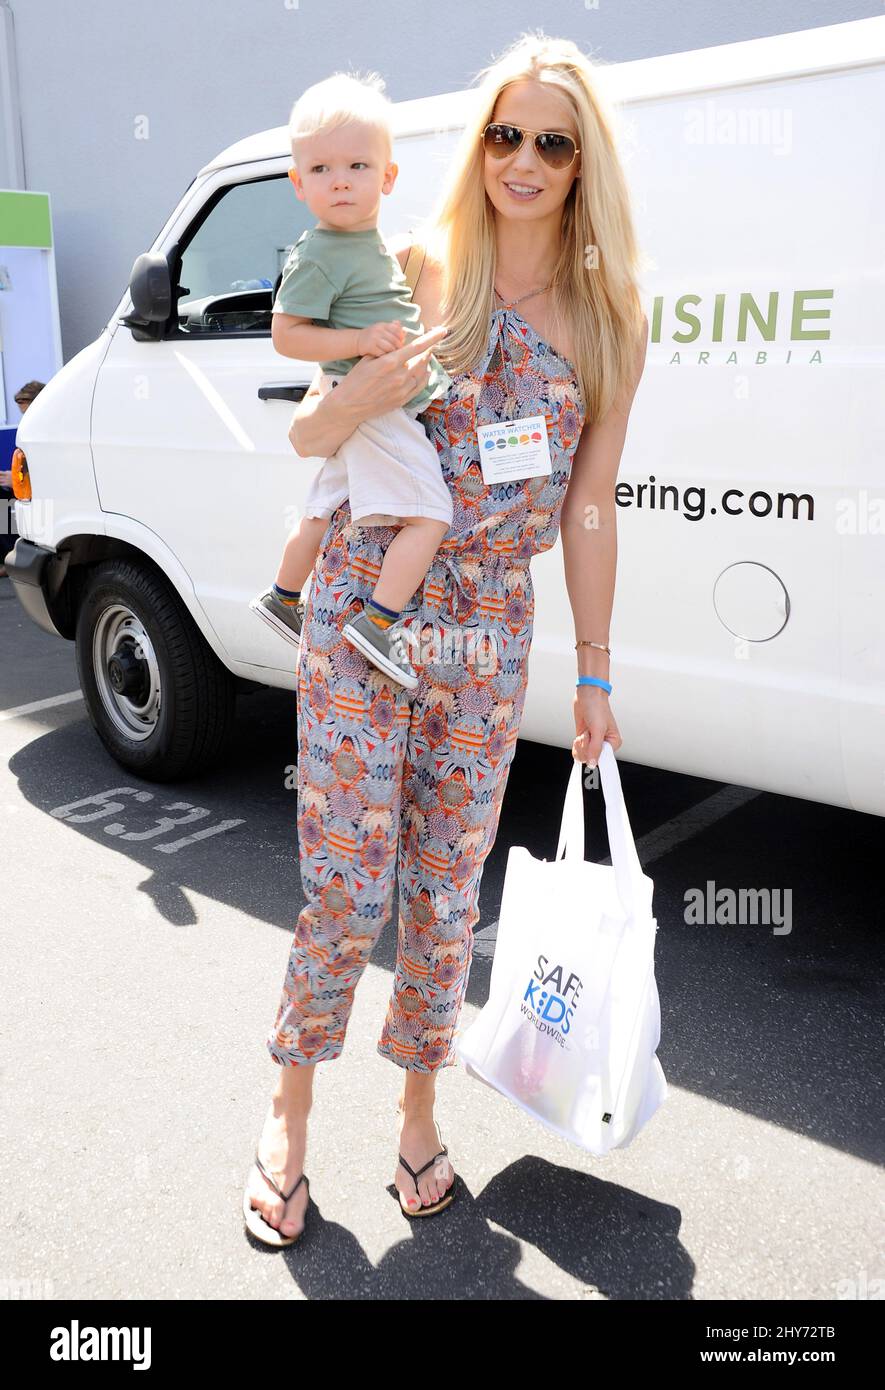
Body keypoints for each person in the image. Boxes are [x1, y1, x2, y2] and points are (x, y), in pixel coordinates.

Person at [243, 30, 649, 1245]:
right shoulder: (410, 263)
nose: (523, 159)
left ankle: (418, 1115)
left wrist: (593, 669)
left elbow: (588, 501)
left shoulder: (610, 315)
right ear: (478, 146)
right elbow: (313, 440)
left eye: (552, 141)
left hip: (489, 624)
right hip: (371, 589)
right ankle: (288, 1109)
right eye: (505, 133)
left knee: (442, 883)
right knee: (348, 876)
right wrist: (367, 386)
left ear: (583, 165)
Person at [249, 72, 454, 690]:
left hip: (363, 402)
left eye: (358, 165)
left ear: (387, 178)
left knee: (322, 506)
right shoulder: (320, 252)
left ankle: (285, 596)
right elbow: (287, 334)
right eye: (320, 168)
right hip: (376, 406)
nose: (340, 179)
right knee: (431, 517)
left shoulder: (363, 245)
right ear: (298, 183)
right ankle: (380, 623)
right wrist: (360, 344)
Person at [0, 381, 45, 578]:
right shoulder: (34, 428)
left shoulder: (47, 430)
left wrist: (15, 480)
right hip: (32, 489)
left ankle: (12, 557)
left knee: (4, 503)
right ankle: (8, 555)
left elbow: (47, 472)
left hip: (45, 494)